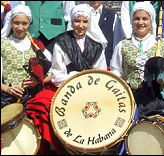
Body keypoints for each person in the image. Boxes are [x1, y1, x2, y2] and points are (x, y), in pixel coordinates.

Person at [24, 4, 107, 154]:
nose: (80, 26)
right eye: (77, 21)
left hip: (91, 89)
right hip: (65, 87)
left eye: (84, 22)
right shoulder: (61, 42)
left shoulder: (97, 46)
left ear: (89, 23)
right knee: (41, 102)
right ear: (71, 22)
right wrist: (75, 79)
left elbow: (100, 73)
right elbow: (57, 72)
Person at [110, 2, 164, 93]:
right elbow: (116, 72)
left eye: (145, 19)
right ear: (132, 21)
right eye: (137, 19)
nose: (140, 22)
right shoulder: (121, 46)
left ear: (151, 21)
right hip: (131, 100)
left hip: (157, 101)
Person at [1, 4, 52, 109]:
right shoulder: (3, 45)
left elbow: (52, 74)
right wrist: (7, 89)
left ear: (29, 24)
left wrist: (36, 81)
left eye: (24, 23)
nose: (20, 28)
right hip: (6, 98)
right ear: (11, 23)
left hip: (31, 96)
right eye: (16, 23)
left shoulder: (36, 44)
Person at [88, 1, 125, 69]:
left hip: (106, 61)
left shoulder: (112, 16)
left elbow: (117, 41)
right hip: (86, 62)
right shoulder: (81, 15)